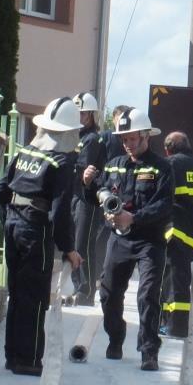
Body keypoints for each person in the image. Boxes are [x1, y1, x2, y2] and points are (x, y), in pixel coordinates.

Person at [0, 97, 83, 376]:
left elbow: (0, 190)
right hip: (36, 229)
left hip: (13, 224)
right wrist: (69, 248)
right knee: (34, 296)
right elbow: (60, 212)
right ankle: (29, 359)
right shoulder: (62, 163)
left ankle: (12, 356)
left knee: (17, 293)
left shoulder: (24, 153)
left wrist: (9, 222)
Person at [93, 107, 173, 371]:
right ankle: (116, 337)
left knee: (148, 295)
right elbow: (101, 189)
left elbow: (164, 205)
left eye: (132, 139)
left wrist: (134, 218)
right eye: (124, 139)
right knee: (108, 293)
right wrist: (97, 192)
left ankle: (149, 351)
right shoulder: (114, 164)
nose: (127, 144)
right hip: (119, 239)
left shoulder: (162, 168)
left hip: (149, 240)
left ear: (146, 136)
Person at [159, 131, 193, 338]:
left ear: (168, 149)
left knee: (173, 281)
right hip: (192, 234)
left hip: (175, 231)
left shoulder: (171, 164)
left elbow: (162, 196)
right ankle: (172, 324)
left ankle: (174, 327)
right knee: (179, 280)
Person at [80, 104, 130, 282]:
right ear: (114, 118)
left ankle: (105, 274)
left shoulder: (126, 138)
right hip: (107, 190)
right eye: (119, 118)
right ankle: (99, 274)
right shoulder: (107, 137)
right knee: (103, 234)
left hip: (120, 191)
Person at [67, 92, 104, 306]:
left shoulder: (91, 139)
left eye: (81, 113)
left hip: (87, 200)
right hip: (75, 196)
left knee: (83, 245)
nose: (78, 117)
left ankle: (86, 291)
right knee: (73, 244)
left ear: (90, 115)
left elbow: (81, 168)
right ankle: (77, 286)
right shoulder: (76, 137)